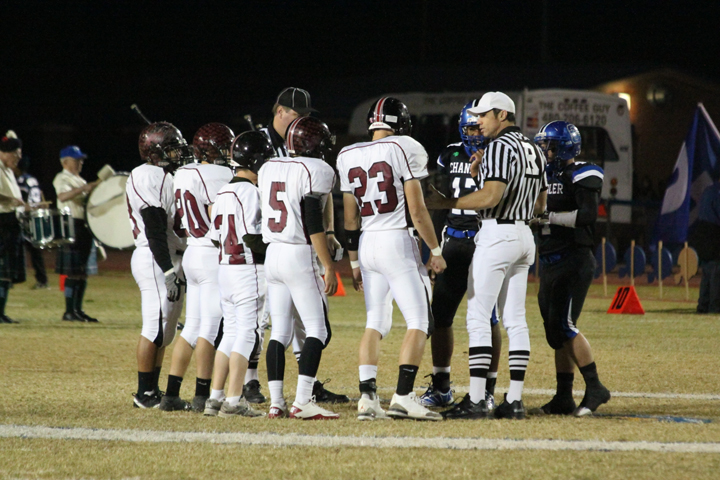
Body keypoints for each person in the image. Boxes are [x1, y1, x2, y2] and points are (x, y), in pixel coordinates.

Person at [426, 91, 547, 420]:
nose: (478, 121)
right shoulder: (534, 148)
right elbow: (540, 204)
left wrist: (448, 202)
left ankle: (478, 399)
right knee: (516, 319)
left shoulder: (498, 147)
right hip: (524, 235)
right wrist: (483, 178)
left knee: (478, 316)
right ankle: (515, 401)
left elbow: (490, 197)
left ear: (502, 114)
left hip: (496, 234)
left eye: (483, 115)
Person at [338, 96, 445, 421]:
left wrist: (354, 263)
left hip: (368, 243)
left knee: (375, 323)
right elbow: (417, 209)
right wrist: (436, 250)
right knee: (420, 321)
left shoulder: (347, 154)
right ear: (401, 125)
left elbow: (350, 218)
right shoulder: (405, 147)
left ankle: (368, 399)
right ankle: (403, 395)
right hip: (396, 239)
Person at [256, 87, 348, 404]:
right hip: (298, 251)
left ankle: (277, 402)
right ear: (279, 111)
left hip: (273, 251)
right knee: (317, 331)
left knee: (278, 332)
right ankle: (303, 402)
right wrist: (329, 264)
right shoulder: (316, 167)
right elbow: (311, 215)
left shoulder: (268, 166)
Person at [419, 101, 502, 411]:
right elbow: (438, 203)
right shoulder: (450, 154)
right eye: (471, 127)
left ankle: (488, 389)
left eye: (480, 126)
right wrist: (434, 250)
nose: (476, 133)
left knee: (488, 316)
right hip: (454, 240)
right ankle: (441, 386)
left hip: (486, 240)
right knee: (440, 314)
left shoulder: (500, 153)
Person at [530, 120, 611, 416]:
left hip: (574, 258)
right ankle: (563, 395)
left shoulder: (582, 173)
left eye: (550, 145)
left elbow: (588, 215)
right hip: (549, 261)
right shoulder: (542, 174)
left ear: (565, 146)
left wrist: (548, 217)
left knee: (565, 326)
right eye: (543, 145)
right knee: (555, 332)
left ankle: (595, 387)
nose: (545, 150)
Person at [159, 123, 235, 412]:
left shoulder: (183, 172)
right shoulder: (221, 174)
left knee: (192, 327)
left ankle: (171, 394)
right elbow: (219, 213)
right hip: (212, 253)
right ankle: (203, 394)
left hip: (191, 250)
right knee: (211, 329)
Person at [205, 131, 276, 418]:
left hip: (226, 269)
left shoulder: (223, 191)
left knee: (230, 334)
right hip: (248, 270)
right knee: (247, 333)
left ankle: (215, 397)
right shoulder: (250, 191)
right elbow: (252, 237)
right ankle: (234, 401)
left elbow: (214, 238)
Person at [127, 122, 193, 408]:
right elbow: (154, 227)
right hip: (156, 257)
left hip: (170, 255)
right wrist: (167, 269)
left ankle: (153, 390)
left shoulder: (165, 175)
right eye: (171, 149)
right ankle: (144, 393)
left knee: (166, 330)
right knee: (154, 326)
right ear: (155, 152)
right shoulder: (147, 175)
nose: (178, 154)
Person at [53, 145, 100, 323]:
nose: (80, 162)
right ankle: (69, 311)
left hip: (83, 225)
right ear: (65, 162)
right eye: (76, 160)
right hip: (71, 224)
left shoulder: (78, 179)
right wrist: (86, 188)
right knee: (73, 271)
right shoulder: (62, 177)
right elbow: (63, 196)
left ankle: (78, 310)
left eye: (81, 159)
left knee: (81, 271)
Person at [0, 131, 28, 324]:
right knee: (1, 269)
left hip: (12, 221)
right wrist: (13, 201)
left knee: (7, 271)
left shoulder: (9, 171)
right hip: (2, 221)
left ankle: (1, 312)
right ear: (4, 152)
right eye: (15, 154)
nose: (18, 158)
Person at [13, 154, 49, 290]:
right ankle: (43, 280)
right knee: (35, 252)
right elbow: (39, 197)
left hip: (25, 218)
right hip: (35, 217)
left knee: (14, 248)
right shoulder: (32, 179)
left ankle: (11, 277)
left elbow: (20, 202)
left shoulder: (20, 181)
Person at [691, 180, 720, 313]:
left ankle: (703, 305)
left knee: (707, 270)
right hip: (715, 232)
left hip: (703, 230)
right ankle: (715, 306)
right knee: (716, 271)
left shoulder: (708, 190)